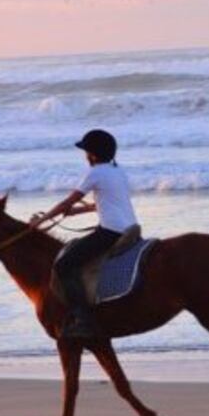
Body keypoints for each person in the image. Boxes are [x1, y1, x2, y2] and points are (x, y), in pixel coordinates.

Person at [29, 129, 138, 341]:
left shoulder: (95, 173)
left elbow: (66, 202)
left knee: (62, 265)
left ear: (93, 155)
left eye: (86, 152)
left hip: (111, 232)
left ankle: (83, 319)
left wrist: (41, 222)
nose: (85, 156)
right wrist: (78, 211)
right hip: (130, 228)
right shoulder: (118, 171)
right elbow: (107, 203)